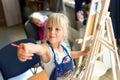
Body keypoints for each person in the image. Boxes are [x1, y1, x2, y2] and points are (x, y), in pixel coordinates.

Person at [17, 13, 90, 80]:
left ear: (64, 33)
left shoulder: (63, 45)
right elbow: (38, 48)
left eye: (57, 29)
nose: (52, 32)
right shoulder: (47, 50)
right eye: (49, 28)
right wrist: (24, 47)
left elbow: (69, 55)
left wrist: (83, 52)